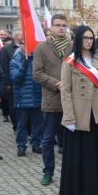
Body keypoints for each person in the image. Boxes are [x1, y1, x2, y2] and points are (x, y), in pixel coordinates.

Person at [59, 26, 98, 195]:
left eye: (91, 38)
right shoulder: (70, 61)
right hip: (78, 113)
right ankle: (77, 188)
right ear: (78, 40)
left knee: (97, 151)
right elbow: (65, 91)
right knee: (78, 153)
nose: (89, 41)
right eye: (85, 38)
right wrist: (69, 117)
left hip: (96, 112)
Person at [33, 14, 72, 185]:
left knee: (71, 139)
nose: (61, 28)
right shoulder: (42, 48)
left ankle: (71, 171)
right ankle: (48, 171)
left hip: (71, 102)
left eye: (64, 25)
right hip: (52, 100)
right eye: (58, 25)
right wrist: (56, 83)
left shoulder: (72, 46)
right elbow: (37, 73)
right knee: (48, 139)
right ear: (51, 27)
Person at [10, 41, 44, 157]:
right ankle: (21, 146)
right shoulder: (15, 61)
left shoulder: (38, 59)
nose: (27, 46)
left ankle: (36, 144)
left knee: (38, 123)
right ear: (20, 46)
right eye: (24, 44)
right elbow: (16, 79)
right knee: (22, 125)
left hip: (37, 97)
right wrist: (24, 66)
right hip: (22, 99)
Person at [1, 29, 23, 128]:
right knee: (13, 107)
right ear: (16, 36)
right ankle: (16, 126)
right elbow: (4, 67)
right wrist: (7, 84)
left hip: (24, 82)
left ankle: (26, 127)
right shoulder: (7, 49)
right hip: (12, 83)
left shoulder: (28, 47)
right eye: (22, 35)